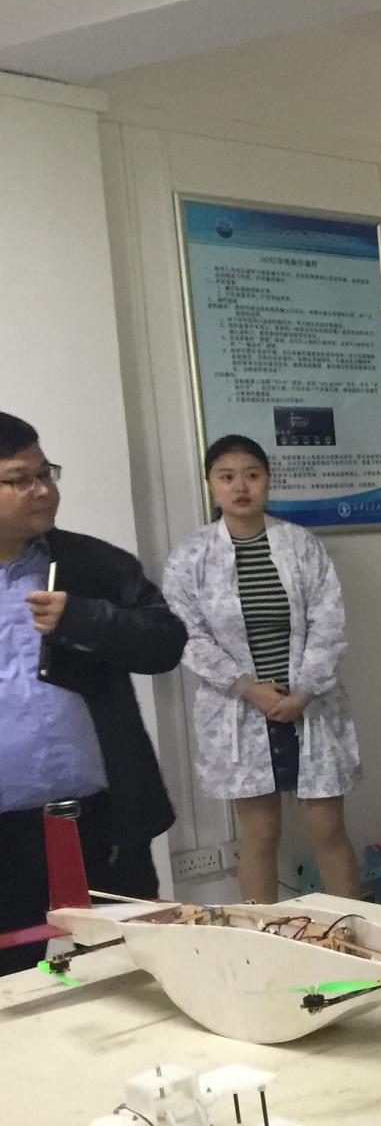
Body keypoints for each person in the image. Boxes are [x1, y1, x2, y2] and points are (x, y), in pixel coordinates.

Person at [0, 412, 186, 973]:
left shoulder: (92, 564)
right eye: (21, 479)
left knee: (131, 976)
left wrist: (86, 619)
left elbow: (166, 642)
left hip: (99, 821)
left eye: (46, 473)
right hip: (5, 836)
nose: (43, 490)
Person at [163, 435, 363, 902]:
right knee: (259, 834)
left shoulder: (299, 544)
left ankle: (352, 930)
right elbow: (187, 635)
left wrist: (304, 691)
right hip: (241, 710)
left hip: (309, 706)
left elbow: (328, 620)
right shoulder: (191, 556)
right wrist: (249, 689)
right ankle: (263, 935)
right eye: (226, 477)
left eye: (252, 475)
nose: (241, 487)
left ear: (268, 481)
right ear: (211, 484)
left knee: (328, 830)